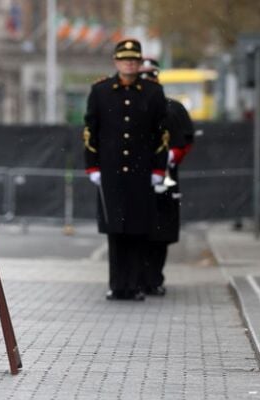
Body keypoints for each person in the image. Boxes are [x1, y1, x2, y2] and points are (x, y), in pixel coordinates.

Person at [82, 39, 168, 301]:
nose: (129, 64)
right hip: (111, 171)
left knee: (138, 229)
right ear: (116, 62)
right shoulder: (101, 91)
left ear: (140, 63)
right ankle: (117, 285)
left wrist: (158, 168)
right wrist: (93, 165)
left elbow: (161, 133)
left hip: (141, 172)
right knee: (115, 229)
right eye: (125, 59)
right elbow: (90, 131)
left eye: (134, 60)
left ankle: (135, 285)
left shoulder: (153, 93)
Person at [139, 57, 195, 296]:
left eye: (151, 76)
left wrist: (172, 155)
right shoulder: (130, 107)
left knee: (161, 231)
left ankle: (154, 278)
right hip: (138, 177)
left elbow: (186, 139)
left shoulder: (172, 108)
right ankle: (137, 278)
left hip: (166, 177)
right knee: (137, 229)